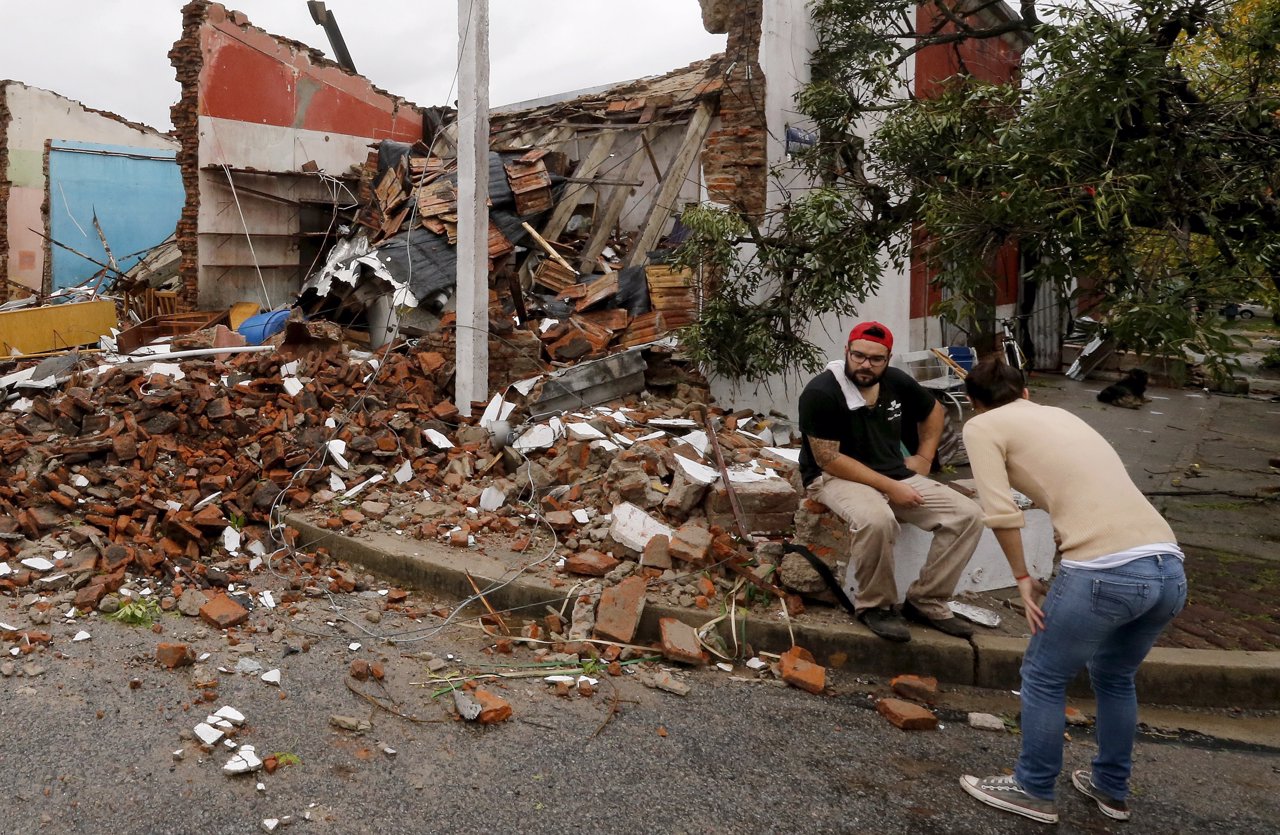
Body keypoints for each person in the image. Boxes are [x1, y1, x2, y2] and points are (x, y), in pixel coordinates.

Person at [957, 358, 1187, 825]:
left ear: (974, 405)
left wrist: (1023, 578)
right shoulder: (1062, 415)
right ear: (1024, 392)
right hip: (1168, 565)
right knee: (1115, 676)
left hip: (1105, 571)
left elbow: (1000, 512)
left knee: (1043, 674)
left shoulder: (982, 427)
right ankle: (1111, 787)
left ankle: (1034, 788)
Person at [797, 321, 982, 642]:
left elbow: (934, 410)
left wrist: (924, 458)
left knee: (968, 516)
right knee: (877, 520)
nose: (865, 364)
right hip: (834, 477)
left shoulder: (896, 382)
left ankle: (926, 600)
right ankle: (875, 606)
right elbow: (829, 458)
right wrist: (890, 487)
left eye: (875, 359)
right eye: (858, 356)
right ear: (846, 352)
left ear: (887, 358)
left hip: (892, 471)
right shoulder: (821, 393)